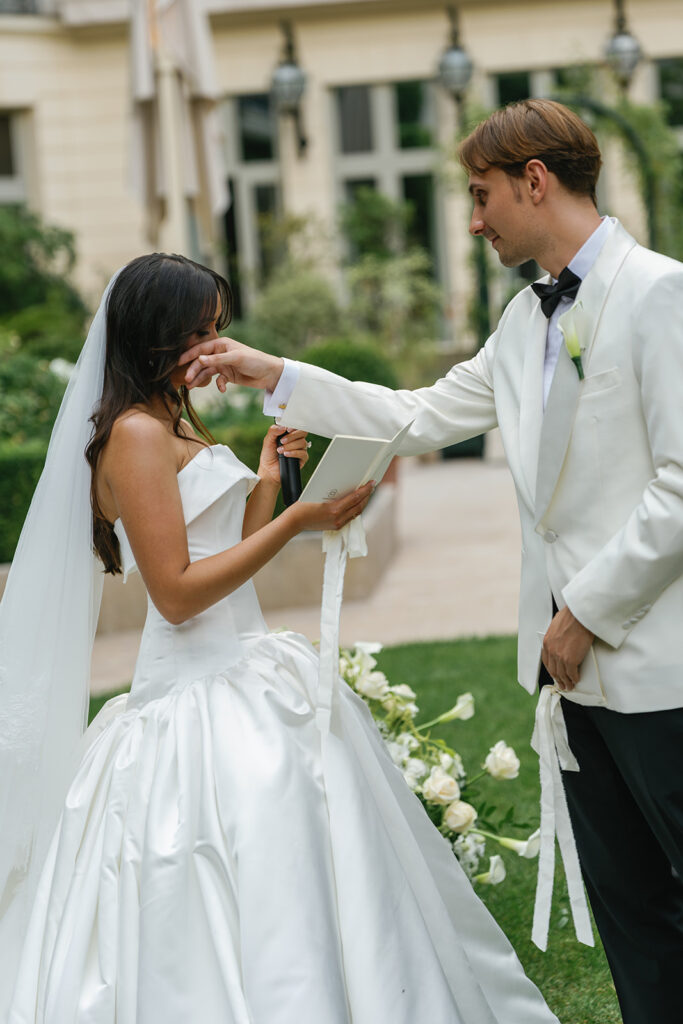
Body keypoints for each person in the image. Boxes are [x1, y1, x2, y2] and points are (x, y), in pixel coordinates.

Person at [183, 99, 683, 1024]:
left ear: (535, 180)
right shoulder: (519, 320)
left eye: (481, 194)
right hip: (568, 680)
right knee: (630, 917)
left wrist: (584, 614)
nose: (473, 218)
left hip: (658, 668)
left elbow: (680, 485)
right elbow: (417, 415)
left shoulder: (661, 293)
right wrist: (274, 374)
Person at [0, 253, 560, 1023]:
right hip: (191, 690)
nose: (211, 345)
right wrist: (299, 520)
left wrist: (266, 486)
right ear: (154, 333)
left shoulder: (169, 418)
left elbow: (221, 556)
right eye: (197, 330)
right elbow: (176, 594)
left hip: (245, 664)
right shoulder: (133, 433)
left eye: (217, 329)